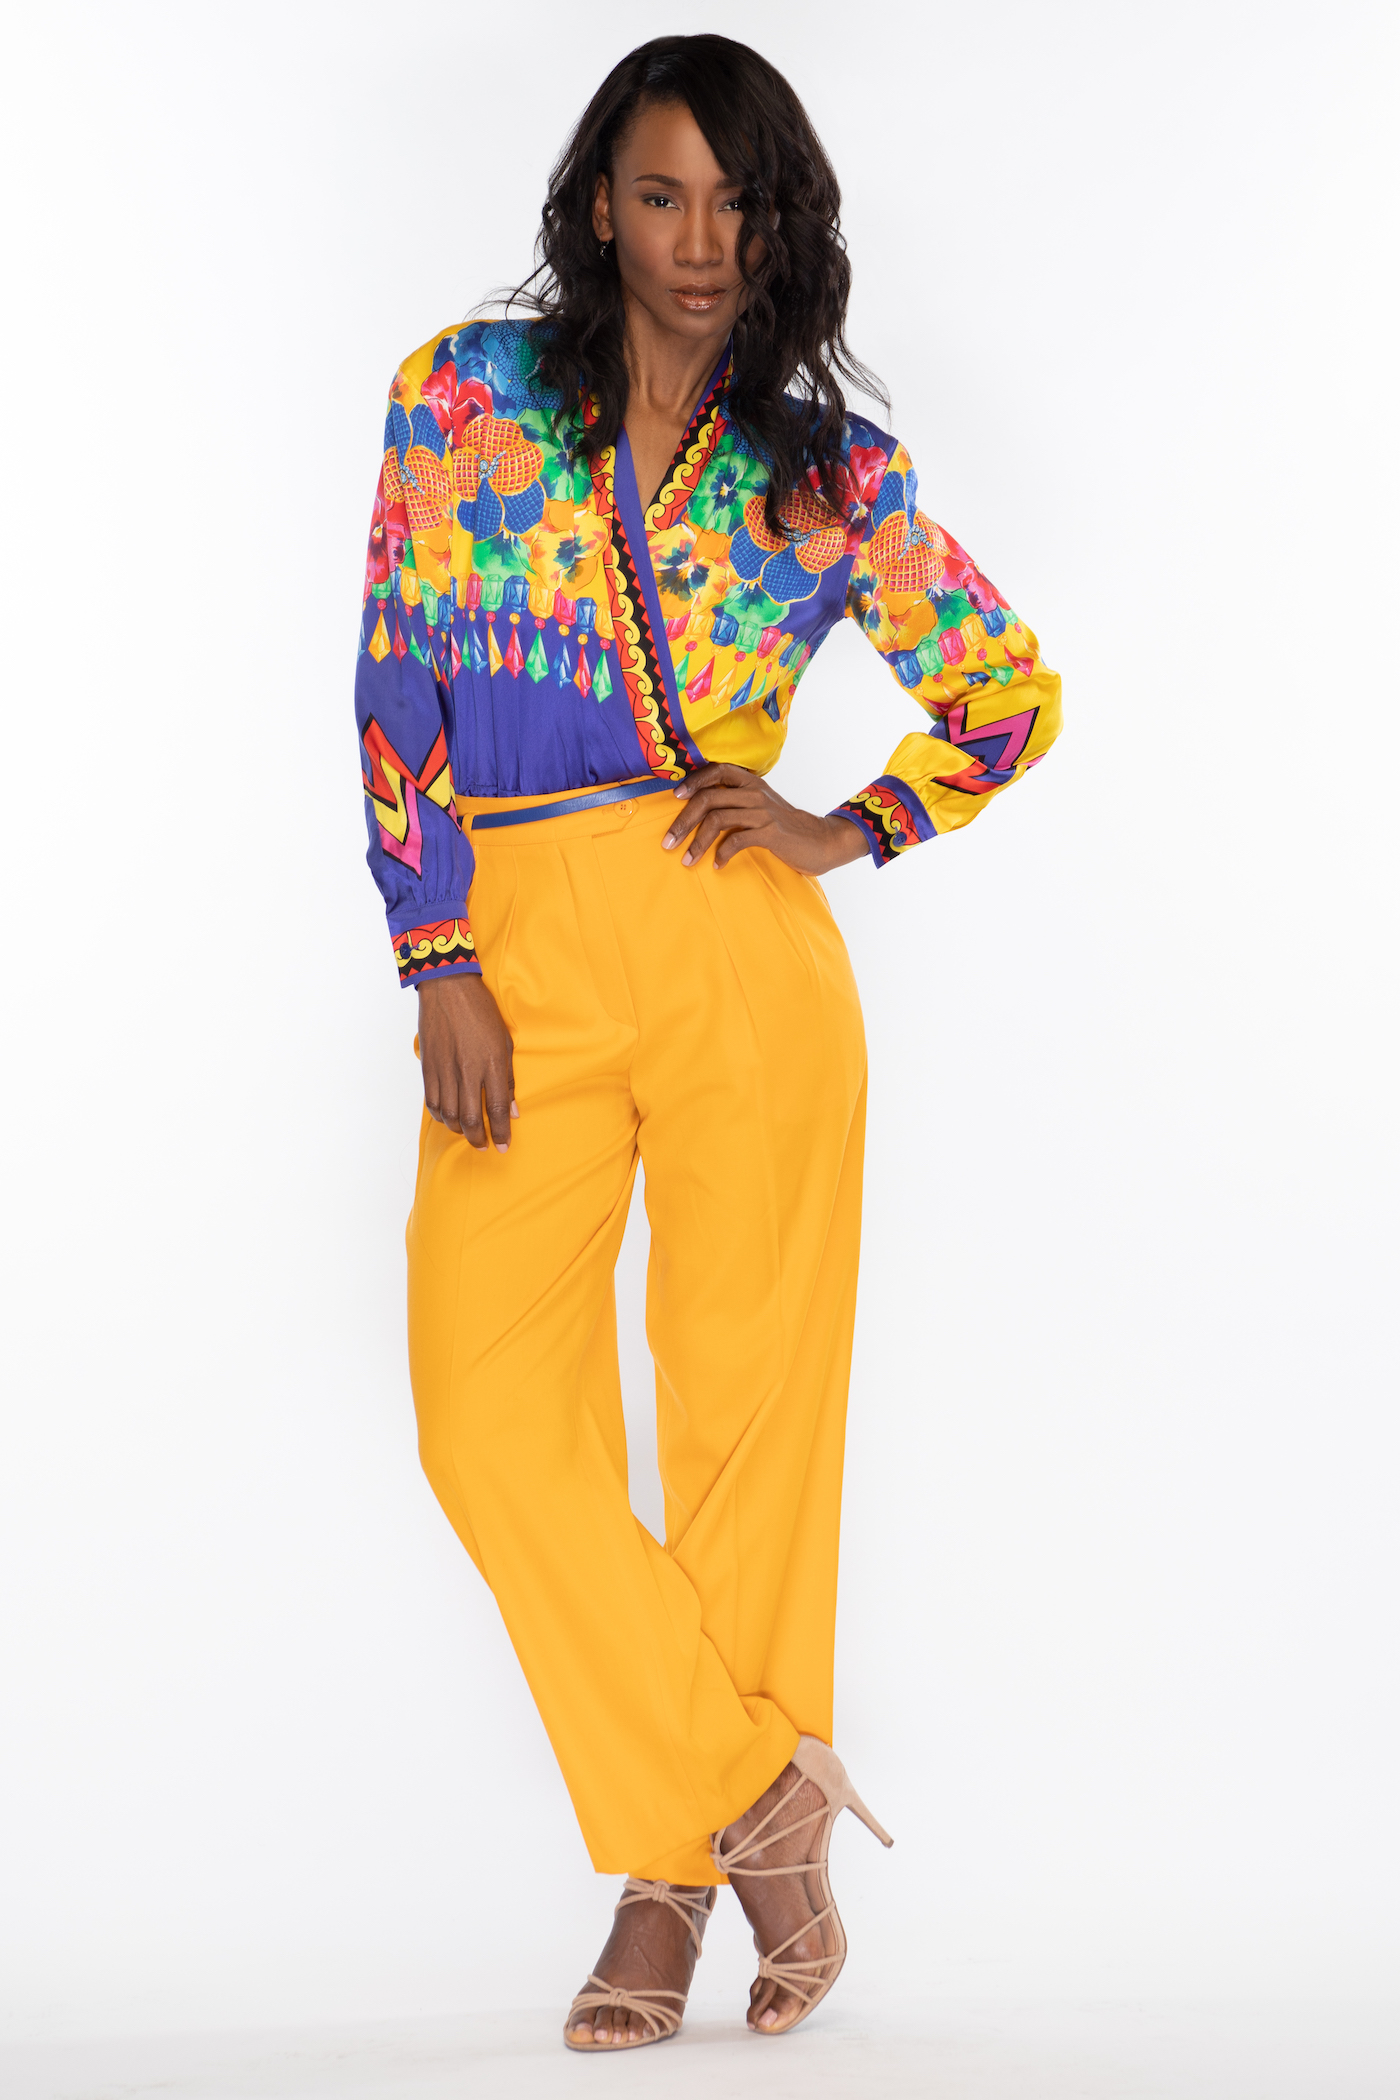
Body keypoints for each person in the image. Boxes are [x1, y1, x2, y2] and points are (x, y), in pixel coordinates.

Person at [354, 32, 1061, 2052]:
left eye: (738, 204)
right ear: (599, 204)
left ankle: (664, 1889)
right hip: (515, 944)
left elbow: (1007, 696)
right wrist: (435, 952)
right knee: (487, 1416)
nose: (697, 239)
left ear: (781, 226)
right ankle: (754, 1800)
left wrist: (849, 826)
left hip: (738, 947)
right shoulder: (461, 400)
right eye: (661, 194)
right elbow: (395, 677)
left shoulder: (823, 472)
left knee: (748, 1421)